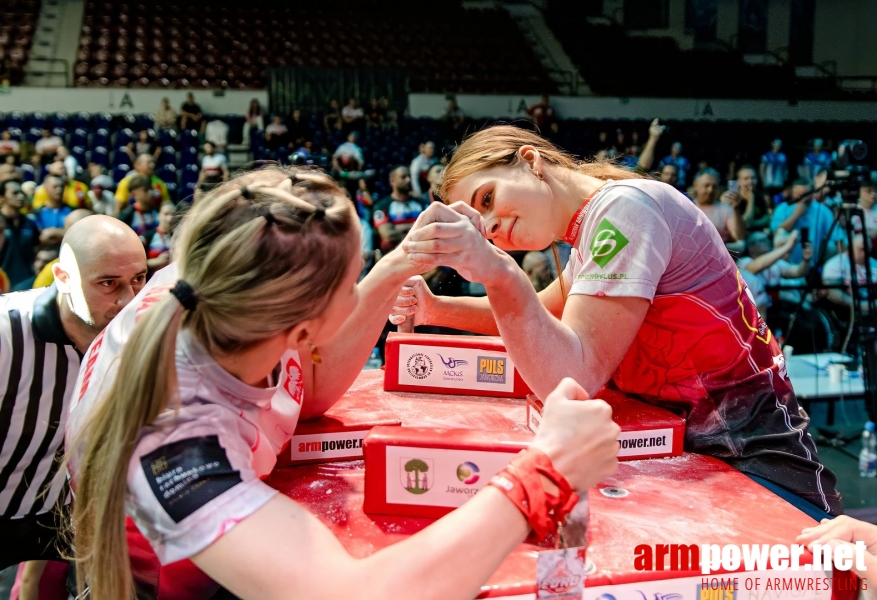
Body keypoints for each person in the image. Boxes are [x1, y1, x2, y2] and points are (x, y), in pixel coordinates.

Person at [64, 165, 621, 600]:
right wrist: (546, 471)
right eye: (355, 280)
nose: (362, 293)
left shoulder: (233, 293)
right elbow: (353, 593)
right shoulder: (172, 433)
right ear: (305, 326)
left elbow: (310, 394)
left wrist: (402, 262)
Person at [391, 125, 842, 520]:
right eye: (481, 226)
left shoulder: (625, 212)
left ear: (530, 161)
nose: (492, 226)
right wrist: (435, 310)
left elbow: (572, 378)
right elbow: (537, 314)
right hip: (687, 459)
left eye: (487, 198)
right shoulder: (593, 228)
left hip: (754, 462)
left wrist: (498, 272)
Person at [0, 215, 147, 590]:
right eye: (108, 283)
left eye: (138, 280)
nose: (128, 300)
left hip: (66, 511)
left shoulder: (141, 337)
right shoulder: (6, 332)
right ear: (63, 278)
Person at [770, 179, 842, 265]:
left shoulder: (823, 210)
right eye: (798, 194)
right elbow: (777, 232)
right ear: (793, 192)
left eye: (804, 194)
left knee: (831, 246)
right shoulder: (782, 208)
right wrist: (795, 215)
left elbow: (837, 237)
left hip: (814, 261)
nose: (801, 197)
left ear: (812, 193)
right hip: (786, 262)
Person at [821, 234, 877, 316]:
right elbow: (832, 292)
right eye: (861, 249)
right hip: (845, 313)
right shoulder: (834, 265)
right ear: (851, 249)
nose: (866, 253)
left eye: (868, 249)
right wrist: (861, 306)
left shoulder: (875, 264)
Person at [373, 166, 425, 254]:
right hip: (392, 254)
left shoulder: (422, 203)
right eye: (403, 177)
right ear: (392, 181)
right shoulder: (381, 206)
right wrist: (417, 229)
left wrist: (400, 228)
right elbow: (389, 235)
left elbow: (431, 231)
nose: (408, 180)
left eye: (409, 176)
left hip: (420, 254)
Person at [691, 168, 746, 249]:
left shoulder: (726, 209)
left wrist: (736, 209)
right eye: (706, 186)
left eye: (714, 186)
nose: (710, 190)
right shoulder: (687, 207)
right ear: (696, 185)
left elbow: (739, 236)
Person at [0, 179, 40, 287]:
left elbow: (36, 251)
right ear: (2, 197)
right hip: (3, 285)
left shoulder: (29, 223)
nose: (21, 197)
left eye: (21, 192)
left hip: (28, 282)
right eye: (15, 193)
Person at [723, 165, 771, 231]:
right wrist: (751, 198)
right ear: (739, 181)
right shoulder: (733, 198)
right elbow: (746, 221)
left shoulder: (759, 196)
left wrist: (754, 223)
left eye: (753, 178)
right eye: (746, 179)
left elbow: (766, 218)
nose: (750, 181)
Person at [118, 175, 159, 243]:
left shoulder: (158, 211)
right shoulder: (127, 215)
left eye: (151, 189)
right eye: (146, 190)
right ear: (134, 195)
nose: (150, 193)